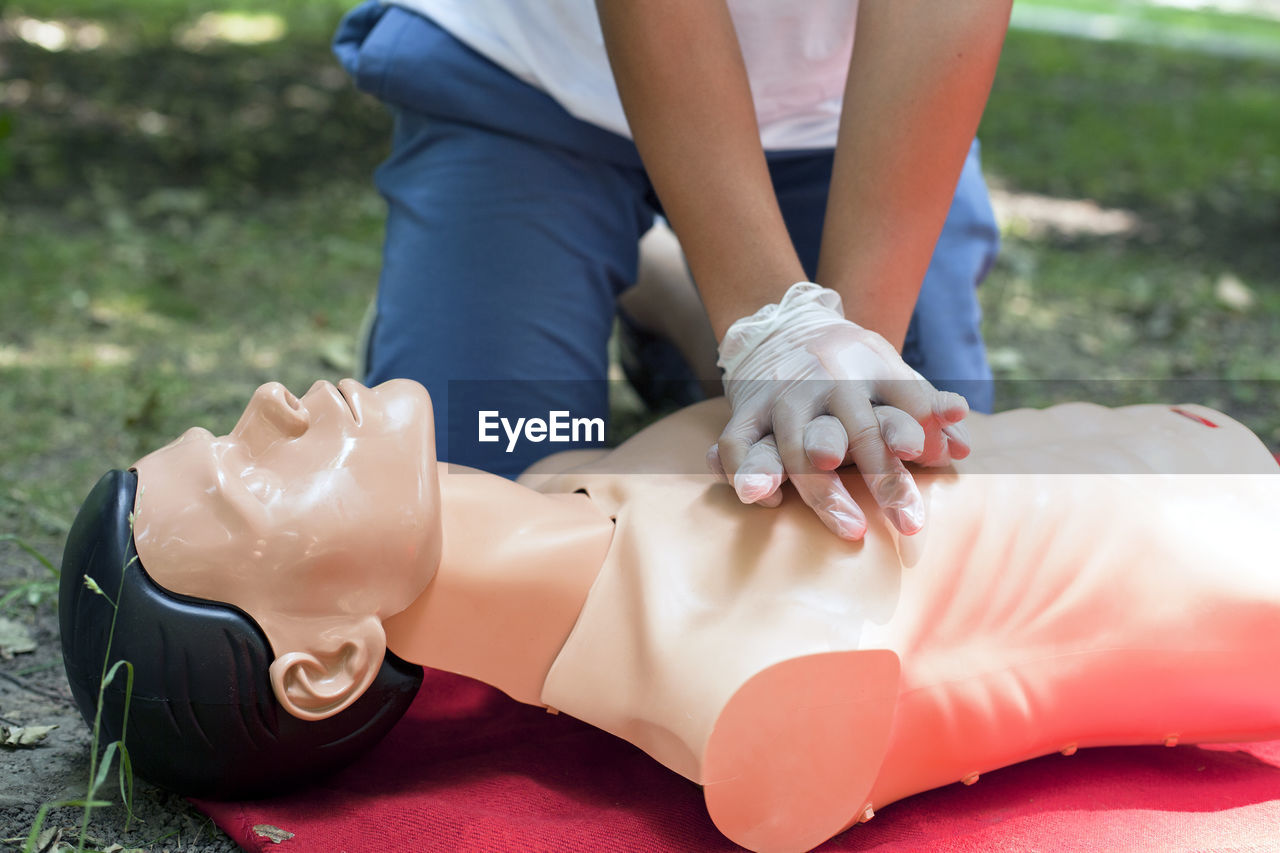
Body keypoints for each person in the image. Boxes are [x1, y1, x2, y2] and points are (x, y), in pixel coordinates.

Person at [61, 379, 1280, 853]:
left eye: (220, 431)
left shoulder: (577, 482)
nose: (267, 403)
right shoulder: (752, 704)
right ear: (325, 663)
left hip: (1194, 439)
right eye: (240, 478)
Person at [330, 1, 1012, 540]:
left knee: (906, 477)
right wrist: (773, 328)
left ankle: (668, 289)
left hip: (847, 112)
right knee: (478, 509)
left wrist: (849, 374)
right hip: (532, 71)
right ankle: (659, 277)